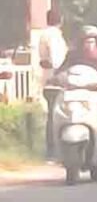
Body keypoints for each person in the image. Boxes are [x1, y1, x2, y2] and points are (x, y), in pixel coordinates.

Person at [38, 10, 68, 159]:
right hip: (56, 79)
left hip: (47, 78)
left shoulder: (44, 34)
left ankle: (52, 149)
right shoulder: (54, 36)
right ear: (61, 20)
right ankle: (55, 150)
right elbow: (57, 60)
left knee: (52, 114)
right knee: (58, 114)